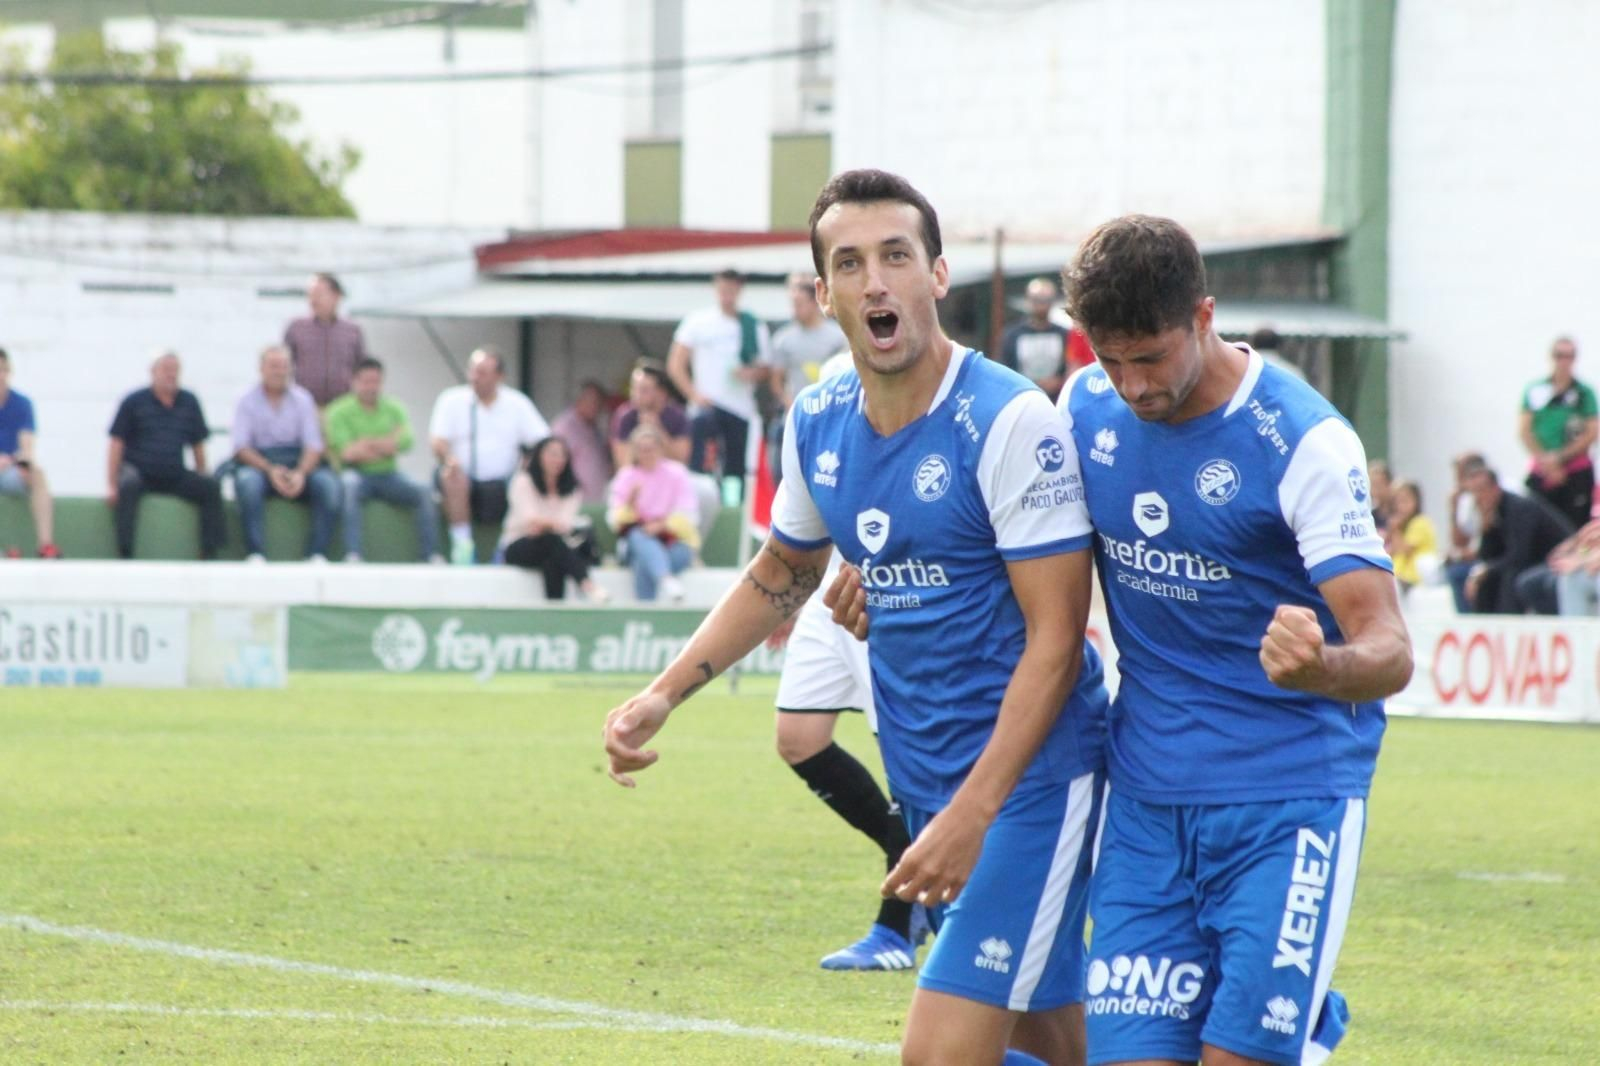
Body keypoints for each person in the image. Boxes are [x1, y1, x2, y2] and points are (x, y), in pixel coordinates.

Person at [606, 169, 1108, 1066]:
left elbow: (1058, 641)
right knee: (1051, 1039)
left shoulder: (1006, 421)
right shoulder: (818, 419)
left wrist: (970, 814)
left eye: (896, 256)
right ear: (825, 293)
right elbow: (782, 569)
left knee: (939, 1051)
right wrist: (663, 695)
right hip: (927, 779)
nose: (875, 280)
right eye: (850, 263)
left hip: (1031, 786)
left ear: (938, 276)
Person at [1054, 214, 1413, 1066]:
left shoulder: (1303, 440)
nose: (1133, 385)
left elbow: (1389, 648)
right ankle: (1304, 1024)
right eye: (1111, 357)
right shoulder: (1085, 407)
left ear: (1204, 316)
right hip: (1146, 800)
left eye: (1151, 357)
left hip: (1287, 798)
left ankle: (1298, 1027)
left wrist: (1323, 664)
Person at [764, 350, 921, 973]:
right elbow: (803, 508)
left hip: (881, 588)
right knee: (798, 738)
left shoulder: (905, 377)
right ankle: (905, 848)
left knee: (906, 768)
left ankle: (898, 928)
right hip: (829, 586)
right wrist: (785, 598)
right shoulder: (824, 384)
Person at [429, 347, 550, 565]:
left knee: (525, 482)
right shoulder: (451, 400)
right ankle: (462, 546)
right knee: (450, 475)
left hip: (504, 484)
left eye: (483, 372)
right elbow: (437, 441)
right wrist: (449, 459)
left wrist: (527, 464)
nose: (475, 378)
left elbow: (543, 442)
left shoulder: (517, 403)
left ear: (500, 376)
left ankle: (504, 548)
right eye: (473, 371)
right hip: (463, 482)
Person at [107, 352, 224, 560]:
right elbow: (116, 443)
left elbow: (198, 444)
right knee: (128, 486)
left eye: (175, 370)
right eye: (166, 370)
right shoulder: (133, 401)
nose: (171, 375)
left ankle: (208, 552)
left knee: (211, 487)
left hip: (174, 473)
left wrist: (202, 472)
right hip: (139, 473)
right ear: (153, 372)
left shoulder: (189, 401)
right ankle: (124, 553)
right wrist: (111, 484)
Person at [231, 345, 343, 562]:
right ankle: (256, 553)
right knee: (247, 483)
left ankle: (316, 554)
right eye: (273, 366)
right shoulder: (245, 400)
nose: (279, 371)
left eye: (284, 366)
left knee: (328, 485)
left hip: (298, 462)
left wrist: (301, 473)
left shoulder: (303, 399)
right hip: (260, 464)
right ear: (261, 368)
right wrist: (270, 470)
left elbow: (314, 445)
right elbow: (241, 447)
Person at [324, 356, 440, 563]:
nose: (372, 387)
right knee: (349, 487)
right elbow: (347, 453)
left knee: (424, 492)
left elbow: (406, 442)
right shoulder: (338, 410)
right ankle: (353, 554)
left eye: (376, 381)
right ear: (355, 381)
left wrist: (365, 444)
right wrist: (386, 444)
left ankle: (429, 556)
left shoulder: (394, 407)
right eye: (366, 381)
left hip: (389, 474)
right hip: (356, 473)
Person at [667, 269, 771, 495]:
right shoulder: (698, 321)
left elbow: (765, 369)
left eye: (732, 290)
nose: (727, 295)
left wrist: (750, 374)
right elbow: (675, 364)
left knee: (736, 470)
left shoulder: (753, 325)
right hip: (707, 406)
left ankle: (732, 511)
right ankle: (699, 500)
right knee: (702, 465)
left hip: (740, 408)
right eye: (723, 289)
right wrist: (694, 395)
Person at [502, 436, 607, 602]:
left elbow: (563, 525)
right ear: (539, 456)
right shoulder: (523, 481)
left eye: (561, 455)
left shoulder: (571, 489)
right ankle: (586, 584)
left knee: (552, 557)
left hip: (553, 546)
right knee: (552, 542)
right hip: (519, 545)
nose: (557, 459)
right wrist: (548, 525)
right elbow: (530, 520)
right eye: (552, 454)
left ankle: (554, 612)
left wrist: (544, 525)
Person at [1462, 459, 1574, 614]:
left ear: (1495, 488)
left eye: (1481, 490)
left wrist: (1486, 569)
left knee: (1511, 576)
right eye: (1474, 492)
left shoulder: (1519, 508)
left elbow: (1519, 555)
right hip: (1533, 560)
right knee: (1484, 582)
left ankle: (1508, 626)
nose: (1478, 497)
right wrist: (1486, 530)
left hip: (1556, 556)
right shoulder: (1493, 512)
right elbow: (1487, 556)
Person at [606, 424, 699, 603]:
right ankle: (665, 580)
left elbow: (689, 515)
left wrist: (661, 526)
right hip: (636, 542)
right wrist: (630, 505)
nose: (646, 453)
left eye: (651, 448)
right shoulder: (626, 476)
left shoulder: (677, 473)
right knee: (639, 537)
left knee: (644, 563)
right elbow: (615, 520)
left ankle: (646, 611)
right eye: (641, 449)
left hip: (675, 543)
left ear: (660, 448)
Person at [1519, 336, 1598, 530]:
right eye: (1559, 355)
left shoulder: (1583, 393)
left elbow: (1591, 432)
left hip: (1575, 470)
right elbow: (1525, 430)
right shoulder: (1536, 390)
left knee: (1576, 529)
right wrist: (1547, 462)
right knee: (1538, 527)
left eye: (1569, 356)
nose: (1564, 361)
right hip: (1542, 470)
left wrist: (1560, 458)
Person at [0, 348, 59, 558]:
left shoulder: (22, 404)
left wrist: (21, 464)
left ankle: (45, 545)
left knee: (37, 474)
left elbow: (26, 447)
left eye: (2, 370)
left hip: (9, 470)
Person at [285, 272, 368, 408]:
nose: (313, 300)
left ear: (336, 296)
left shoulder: (352, 330)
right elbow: (285, 366)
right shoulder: (296, 328)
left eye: (318, 294)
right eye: (310, 295)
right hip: (305, 407)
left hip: (343, 408)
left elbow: (361, 369)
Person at [998, 277, 1075, 401]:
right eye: (1037, 300)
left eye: (1046, 300)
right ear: (1028, 300)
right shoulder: (1012, 335)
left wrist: (1059, 381)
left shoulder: (1065, 334)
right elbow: (1004, 369)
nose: (1041, 305)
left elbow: (1072, 365)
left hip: (1057, 400)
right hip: (1022, 399)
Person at [610, 360, 692, 471]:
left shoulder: (678, 416)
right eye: (634, 389)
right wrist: (640, 435)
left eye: (644, 390)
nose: (636, 395)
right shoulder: (625, 416)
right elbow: (623, 465)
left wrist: (658, 430)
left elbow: (681, 461)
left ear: (662, 394)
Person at [549, 380, 614, 504]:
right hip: (572, 500)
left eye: (600, 403)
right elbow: (554, 464)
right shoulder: (564, 427)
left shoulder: (594, 428)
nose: (597, 407)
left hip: (595, 499)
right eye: (594, 402)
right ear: (580, 400)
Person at [1444, 451, 1486, 613]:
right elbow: (1459, 541)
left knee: (1461, 571)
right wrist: (1454, 510)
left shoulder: (1500, 492)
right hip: (1478, 557)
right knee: (1454, 571)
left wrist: (1462, 555)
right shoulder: (1465, 500)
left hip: (1498, 558)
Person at [1383, 479, 1439, 593]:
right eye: (1397, 502)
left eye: (1405, 501)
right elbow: (1389, 552)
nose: (1400, 506)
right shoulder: (1403, 526)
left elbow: (1406, 550)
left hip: (1414, 578)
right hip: (1398, 575)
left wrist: (1395, 530)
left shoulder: (1420, 522)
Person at [1366, 457, 1393, 532]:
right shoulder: (1370, 515)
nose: (1374, 491)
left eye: (1378, 485)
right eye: (1371, 485)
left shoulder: (1400, 514)